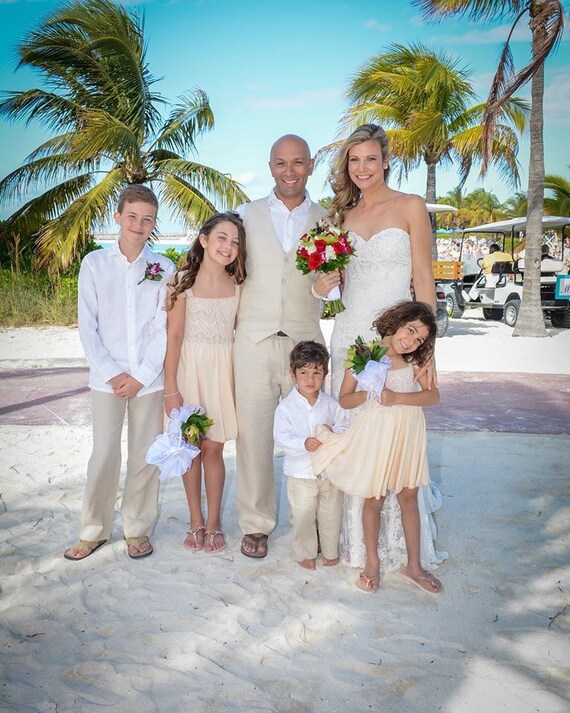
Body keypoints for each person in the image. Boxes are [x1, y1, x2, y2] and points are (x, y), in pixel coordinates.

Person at [313, 123, 447, 574]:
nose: (362, 168)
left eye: (370, 158)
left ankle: (406, 553)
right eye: (354, 160)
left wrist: (424, 350)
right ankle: (362, 551)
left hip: (399, 339)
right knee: (358, 434)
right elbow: (336, 287)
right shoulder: (340, 219)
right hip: (352, 334)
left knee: (396, 428)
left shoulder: (411, 206)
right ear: (346, 165)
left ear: (386, 160)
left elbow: (424, 277)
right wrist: (321, 284)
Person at [64, 185, 175, 561]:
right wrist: (113, 373)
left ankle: (137, 529)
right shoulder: (94, 263)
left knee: (145, 457)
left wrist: (142, 375)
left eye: (147, 219)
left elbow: (163, 326)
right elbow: (87, 325)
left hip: (149, 380)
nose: (139, 225)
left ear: (154, 224)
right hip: (105, 379)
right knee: (105, 454)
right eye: (132, 216)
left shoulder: (164, 267)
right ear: (117, 216)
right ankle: (93, 530)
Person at [234, 134, 331, 559]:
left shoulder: (329, 220)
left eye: (297, 163)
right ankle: (256, 525)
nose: (288, 171)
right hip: (252, 342)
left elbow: (335, 283)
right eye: (279, 163)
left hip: (305, 345)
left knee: (311, 433)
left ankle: (309, 522)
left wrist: (330, 289)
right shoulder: (244, 215)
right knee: (253, 437)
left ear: (310, 166)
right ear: (269, 165)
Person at [313, 301, 442, 594]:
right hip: (376, 435)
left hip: (407, 433)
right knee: (375, 496)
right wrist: (365, 393)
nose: (412, 340)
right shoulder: (362, 355)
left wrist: (396, 397)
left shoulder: (417, 362)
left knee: (409, 496)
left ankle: (414, 566)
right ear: (396, 321)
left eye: (420, 338)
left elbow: (432, 397)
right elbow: (345, 399)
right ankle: (371, 563)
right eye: (410, 330)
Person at [163, 212, 246, 553]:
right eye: (222, 238)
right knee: (190, 451)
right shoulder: (182, 281)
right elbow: (175, 336)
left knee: (214, 450)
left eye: (235, 242)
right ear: (204, 239)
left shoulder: (239, 285)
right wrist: (171, 389)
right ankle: (195, 520)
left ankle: (214, 524)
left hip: (221, 372)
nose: (228, 247)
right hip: (188, 371)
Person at [273, 341, 346, 570]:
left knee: (330, 511)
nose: (310, 379)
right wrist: (303, 443)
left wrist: (334, 434)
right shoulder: (285, 407)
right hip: (300, 472)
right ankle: (304, 551)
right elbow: (281, 437)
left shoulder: (331, 404)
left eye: (317, 372)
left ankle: (330, 549)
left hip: (328, 471)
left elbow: (344, 425)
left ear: (325, 374)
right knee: (303, 514)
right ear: (292, 373)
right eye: (303, 372)